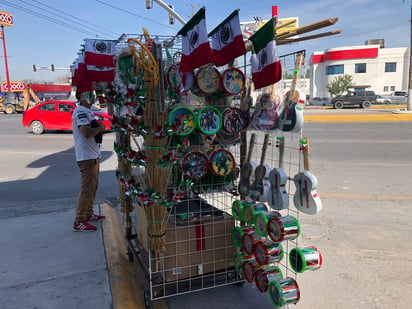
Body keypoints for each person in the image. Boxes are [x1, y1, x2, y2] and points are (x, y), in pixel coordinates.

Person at [72, 91, 106, 232]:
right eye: (87, 94)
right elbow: (85, 132)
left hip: (93, 155)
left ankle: (88, 213)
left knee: (93, 186)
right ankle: (79, 220)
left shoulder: (88, 111)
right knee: (87, 189)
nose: (91, 96)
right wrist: (100, 128)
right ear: (80, 96)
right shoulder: (80, 111)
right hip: (86, 157)